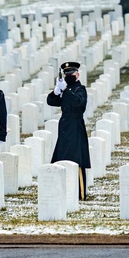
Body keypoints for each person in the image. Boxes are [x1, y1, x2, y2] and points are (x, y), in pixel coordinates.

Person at [46, 61, 91, 199]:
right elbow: (51, 101)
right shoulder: (66, 89)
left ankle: (80, 193)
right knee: (62, 157)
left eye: (70, 73)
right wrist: (56, 91)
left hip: (75, 126)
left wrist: (66, 90)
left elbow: (79, 103)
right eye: (66, 74)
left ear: (77, 74)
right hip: (65, 126)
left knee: (76, 158)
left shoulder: (79, 89)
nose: (68, 76)